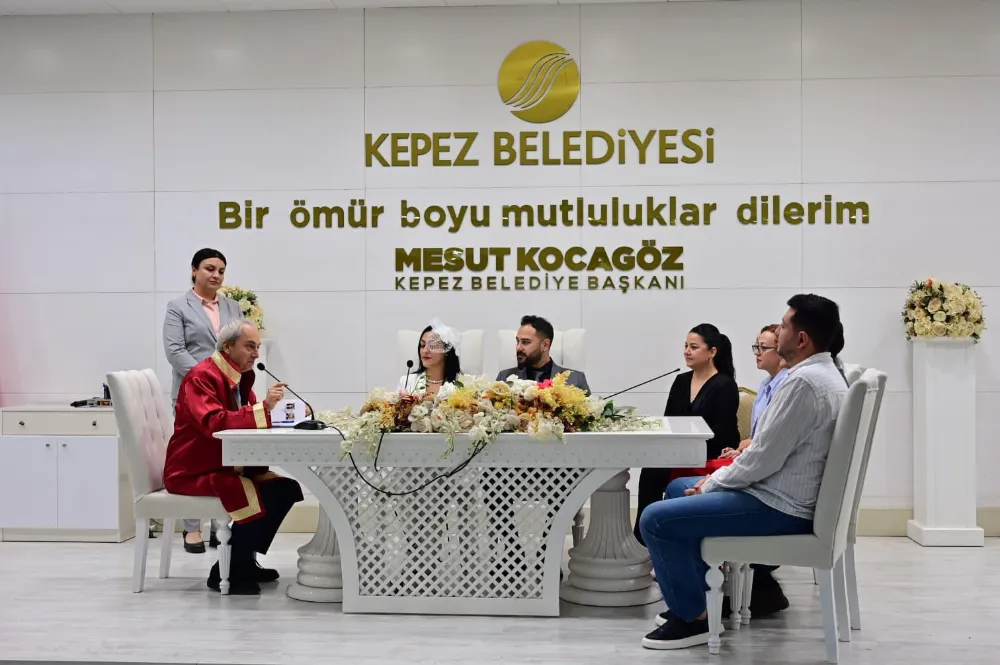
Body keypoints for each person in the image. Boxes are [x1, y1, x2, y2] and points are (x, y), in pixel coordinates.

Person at [638, 294, 848, 650]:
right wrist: (711, 482)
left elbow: (762, 459)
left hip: (779, 505)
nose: (777, 333)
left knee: (654, 518)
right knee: (675, 489)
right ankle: (701, 602)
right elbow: (765, 454)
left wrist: (712, 483)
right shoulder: (824, 375)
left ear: (801, 339)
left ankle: (692, 619)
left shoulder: (804, 383)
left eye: (783, 326)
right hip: (781, 494)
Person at [164, 319, 304, 595]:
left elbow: (246, 418)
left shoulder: (238, 377)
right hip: (193, 469)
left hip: (223, 464)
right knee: (248, 493)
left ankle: (244, 561)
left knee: (284, 489)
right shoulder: (201, 377)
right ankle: (225, 572)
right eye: (249, 346)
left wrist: (290, 413)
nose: (256, 354)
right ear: (227, 347)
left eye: (257, 347)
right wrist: (264, 409)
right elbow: (214, 423)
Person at [163, 248, 241, 553]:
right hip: (192, 394)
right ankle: (191, 528)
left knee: (224, 459)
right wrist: (206, 378)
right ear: (194, 270)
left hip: (228, 395)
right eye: (210, 268)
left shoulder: (233, 307)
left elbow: (239, 348)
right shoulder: (177, 307)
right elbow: (175, 351)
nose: (216, 275)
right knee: (193, 459)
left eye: (221, 270)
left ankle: (220, 525)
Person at [633, 323, 740, 546]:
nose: (687, 351)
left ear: (712, 352)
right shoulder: (681, 381)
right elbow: (668, 421)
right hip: (679, 451)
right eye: (685, 346)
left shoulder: (725, 385)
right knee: (650, 469)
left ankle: (655, 537)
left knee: (656, 471)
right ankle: (642, 539)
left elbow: (722, 433)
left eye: (694, 347)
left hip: (711, 453)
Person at [495, 315, 590, 394]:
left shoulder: (576, 380)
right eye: (517, 341)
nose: (518, 348)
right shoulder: (504, 379)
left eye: (525, 342)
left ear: (545, 345)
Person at [398, 320, 462, 398]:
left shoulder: (462, 384)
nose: (425, 351)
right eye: (422, 345)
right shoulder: (407, 382)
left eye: (432, 346)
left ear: (447, 350)